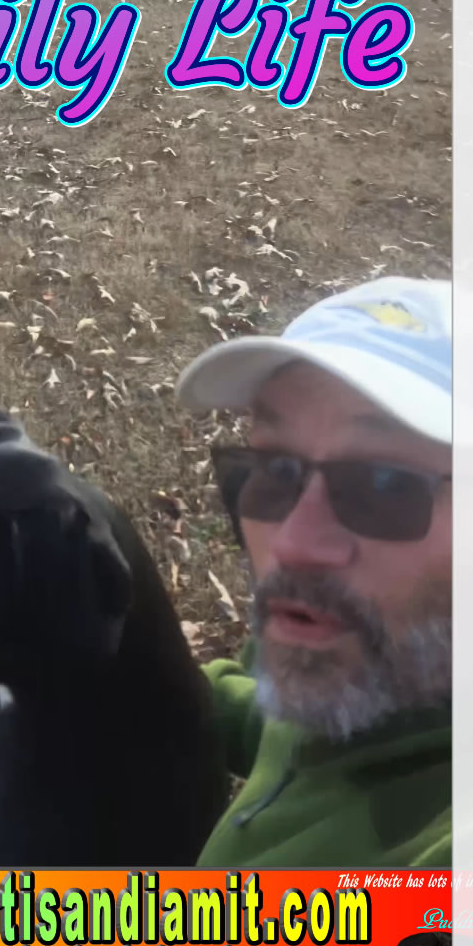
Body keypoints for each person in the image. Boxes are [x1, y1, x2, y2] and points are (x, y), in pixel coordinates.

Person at [175, 275, 452, 867]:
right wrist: (144, 682)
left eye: (386, 485)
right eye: (277, 467)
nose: (294, 544)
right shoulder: (377, 665)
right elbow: (288, 741)